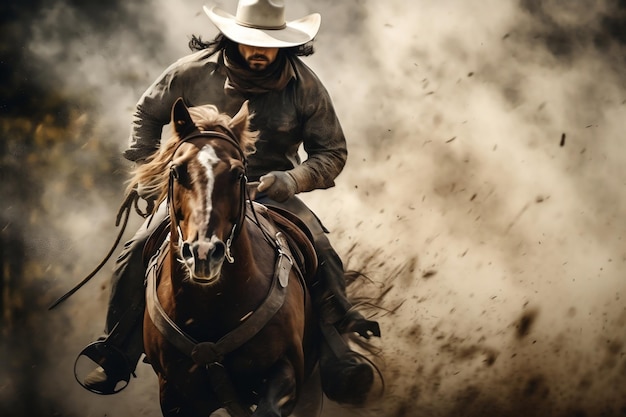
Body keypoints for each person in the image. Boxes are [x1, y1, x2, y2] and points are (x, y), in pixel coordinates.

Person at [82, 0, 380, 406]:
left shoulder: (304, 86)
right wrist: (151, 171)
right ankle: (116, 350)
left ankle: (337, 352)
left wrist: (290, 180)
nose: (259, 49)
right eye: (250, 40)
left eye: (269, 42)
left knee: (321, 250)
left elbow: (332, 152)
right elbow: (146, 114)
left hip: (269, 191)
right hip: (197, 186)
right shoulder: (190, 71)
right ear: (233, 36)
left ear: (284, 44)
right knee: (135, 250)